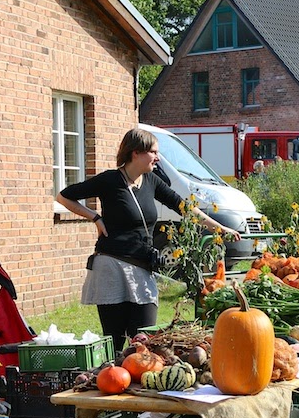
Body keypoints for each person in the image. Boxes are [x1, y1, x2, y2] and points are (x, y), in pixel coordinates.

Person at [57, 128, 239, 352]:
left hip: (143, 268)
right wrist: (95, 217)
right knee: (114, 342)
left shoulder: (152, 181)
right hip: (111, 267)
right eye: (153, 152)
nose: (158, 157)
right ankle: (114, 381)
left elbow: (184, 208)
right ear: (136, 153)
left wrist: (219, 228)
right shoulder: (110, 180)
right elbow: (63, 196)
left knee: (145, 340)